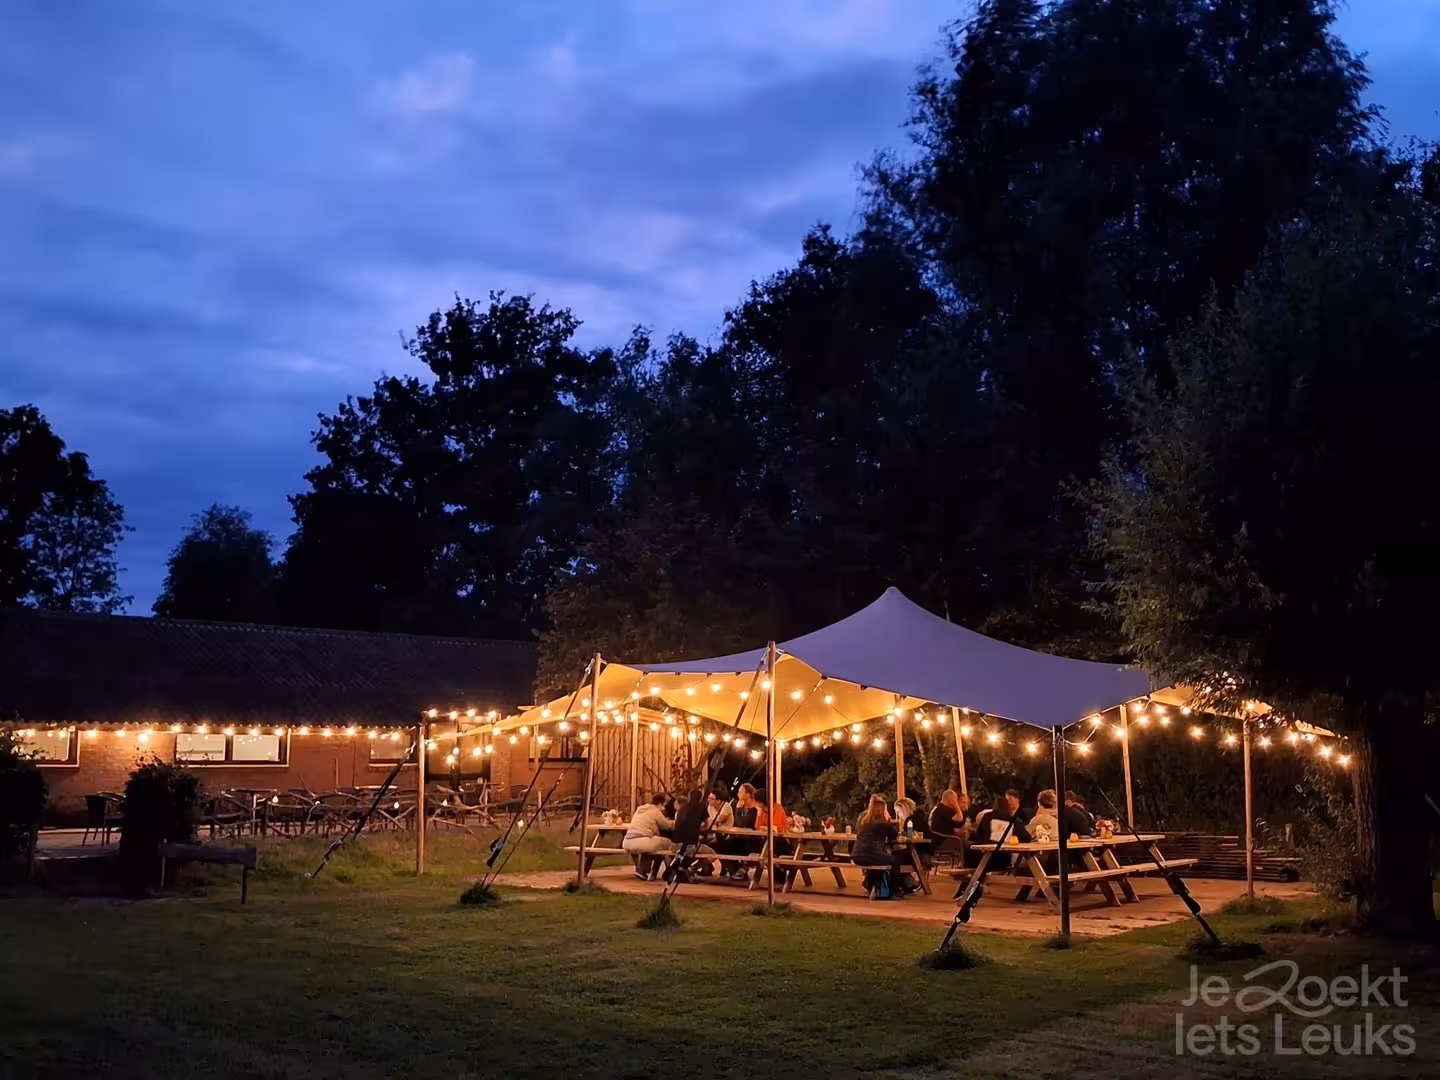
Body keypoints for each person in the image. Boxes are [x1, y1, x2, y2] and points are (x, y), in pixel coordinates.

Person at [850, 794, 918, 895]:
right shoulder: (882, 823)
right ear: (883, 809)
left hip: (856, 856)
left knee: (884, 860)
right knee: (896, 862)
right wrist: (888, 820)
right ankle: (896, 888)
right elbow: (894, 836)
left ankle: (871, 885)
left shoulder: (863, 821)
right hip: (872, 855)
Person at [623, 793, 675, 879]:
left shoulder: (640, 810)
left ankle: (641, 870)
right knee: (669, 843)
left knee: (650, 846)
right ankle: (671, 871)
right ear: (661, 803)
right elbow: (667, 825)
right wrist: (676, 822)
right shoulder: (655, 811)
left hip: (627, 842)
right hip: (643, 841)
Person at [670, 788, 719, 876]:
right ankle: (692, 868)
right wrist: (701, 828)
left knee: (694, 852)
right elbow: (709, 824)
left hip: (674, 845)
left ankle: (686, 868)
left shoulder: (682, 808)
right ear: (700, 798)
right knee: (713, 855)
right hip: (690, 845)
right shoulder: (701, 807)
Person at [927, 789, 970, 856]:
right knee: (971, 846)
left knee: (968, 844)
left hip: (941, 841)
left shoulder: (939, 808)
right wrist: (956, 805)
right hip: (943, 842)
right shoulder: (944, 810)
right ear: (951, 800)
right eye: (955, 799)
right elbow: (959, 818)